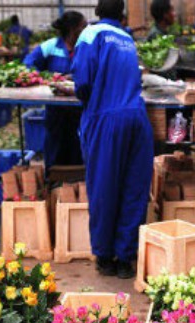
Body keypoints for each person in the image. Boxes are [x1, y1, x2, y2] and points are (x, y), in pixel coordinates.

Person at [73, 0, 154, 279]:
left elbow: (82, 82)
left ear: (97, 11)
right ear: (122, 13)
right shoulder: (127, 39)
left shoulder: (90, 34)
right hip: (136, 118)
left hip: (106, 119)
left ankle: (105, 257)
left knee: (105, 189)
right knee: (134, 189)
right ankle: (125, 260)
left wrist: (91, 104)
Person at [24, 11, 87, 168]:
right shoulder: (51, 46)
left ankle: (75, 185)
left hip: (80, 109)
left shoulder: (85, 48)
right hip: (56, 110)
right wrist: (49, 79)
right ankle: (53, 181)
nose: (87, 30)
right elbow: (28, 65)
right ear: (73, 29)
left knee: (78, 147)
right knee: (55, 145)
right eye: (83, 26)